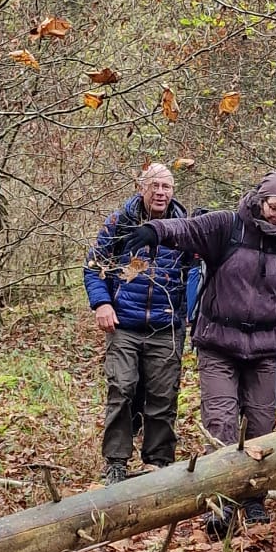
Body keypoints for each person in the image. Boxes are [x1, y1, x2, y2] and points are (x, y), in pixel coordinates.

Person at [124, 171, 276, 537]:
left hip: (264, 349)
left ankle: (253, 499)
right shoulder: (228, 226)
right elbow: (187, 230)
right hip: (218, 342)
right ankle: (220, 504)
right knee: (221, 424)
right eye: (275, 208)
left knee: (263, 426)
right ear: (260, 201)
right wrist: (155, 231)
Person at [84, 163, 196, 483]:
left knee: (163, 396)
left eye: (167, 187)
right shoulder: (120, 222)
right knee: (122, 388)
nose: (160, 193)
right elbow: (94, 266)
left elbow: (197, 270)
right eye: (154, 186)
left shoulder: (184, 226)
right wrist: (102, 303)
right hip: (124, 324)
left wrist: (192, 309)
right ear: (141, 187)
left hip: (166, 327)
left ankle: (158, 463)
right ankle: (116, 461)